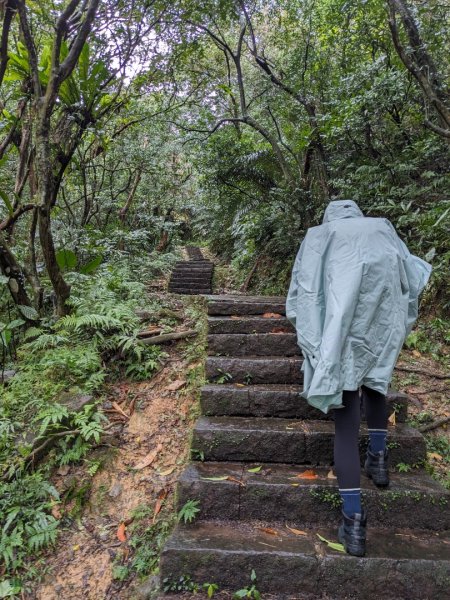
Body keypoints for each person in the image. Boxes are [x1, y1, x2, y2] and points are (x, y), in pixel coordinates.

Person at [285, 199, 431, 557]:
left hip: (342, 332)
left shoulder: (321, 234)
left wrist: (316, 340)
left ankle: (353, 523)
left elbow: (303, 292)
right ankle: (379, 460)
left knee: (346, 424)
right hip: (382, 326)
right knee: (377, 385)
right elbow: (411, 278)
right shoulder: (382, 227)